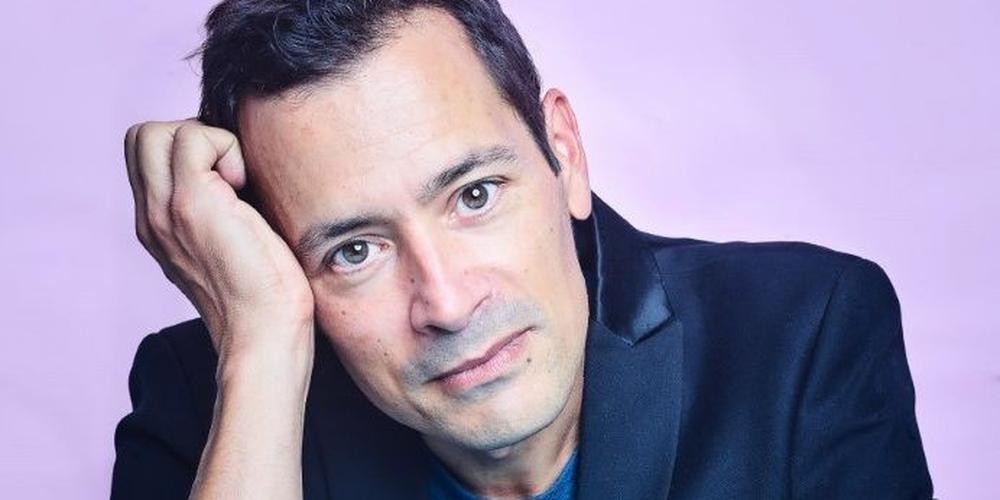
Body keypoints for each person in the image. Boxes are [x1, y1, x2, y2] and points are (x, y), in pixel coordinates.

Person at [111, 1, 933, 498]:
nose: (446, 302)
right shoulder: (210, 400)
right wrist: (258, 351)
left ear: (563, 154)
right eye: (354, 251)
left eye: (474, 195)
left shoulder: (803, 336)